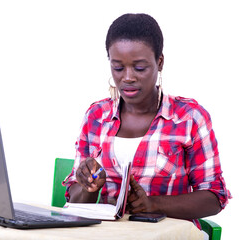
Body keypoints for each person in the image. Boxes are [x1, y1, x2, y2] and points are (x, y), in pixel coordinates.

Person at [63, 13, 231, 228]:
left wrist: (152, 204)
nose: (128, 77)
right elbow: (74, 201)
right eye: (118, 67)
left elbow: (214, 197)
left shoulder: (189, 118)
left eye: (140, 68)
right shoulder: (96, 117)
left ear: (159, 62)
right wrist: (87, 185)